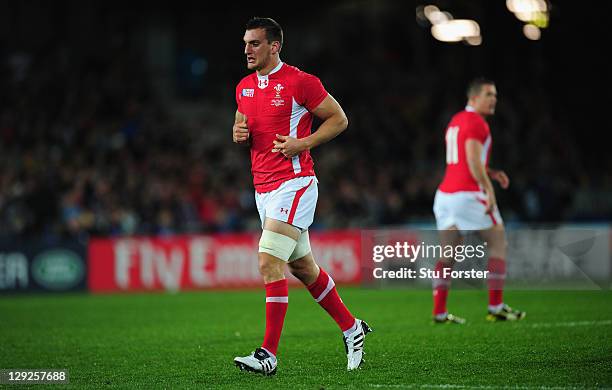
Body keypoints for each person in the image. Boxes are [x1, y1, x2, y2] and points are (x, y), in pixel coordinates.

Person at [232, 17, 372, 376]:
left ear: (274, 46)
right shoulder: (244, 87)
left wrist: (303, 143)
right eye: (246, 43)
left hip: (295, 184)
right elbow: (244, 126)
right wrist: (239, 134)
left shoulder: (301, 82)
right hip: (262, 189)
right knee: (303, 268)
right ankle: (351, 327)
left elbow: (339, 119)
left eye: (255, 43)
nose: (247, 49)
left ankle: (268, 354)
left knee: (268, 261)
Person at [431, 78, 526, 324]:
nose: (494, 99)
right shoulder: (477, 122)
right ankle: (496, 307)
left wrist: (491, 172)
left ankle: (439, 313)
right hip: (468, 195)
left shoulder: (456, 120)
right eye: (488, 94)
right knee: (498, 242)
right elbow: (472, 161)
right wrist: (489, 190)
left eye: (495, 94)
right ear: (473, 98)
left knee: (447, 254)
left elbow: (462, 159)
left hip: (445, 195)